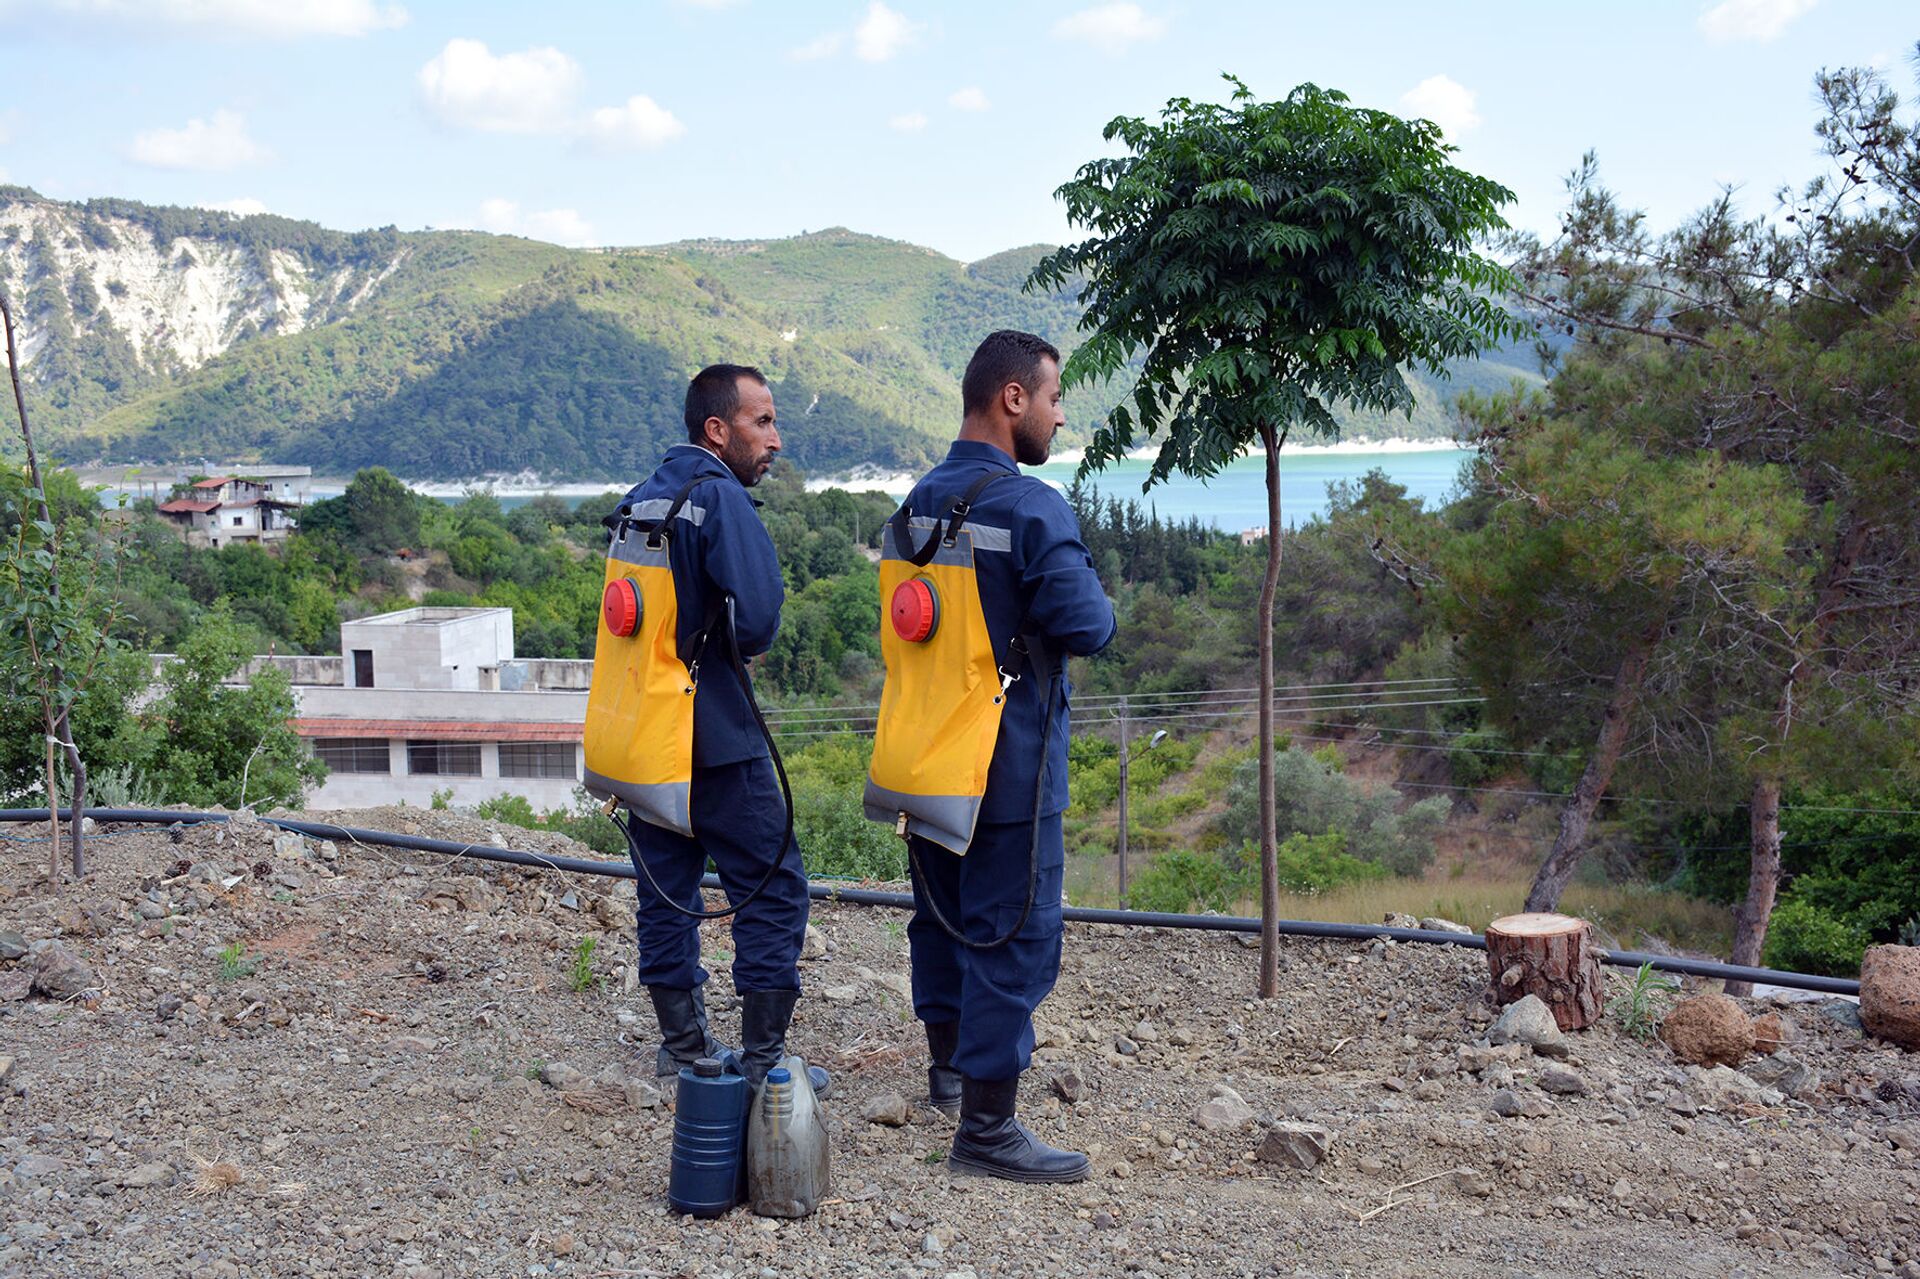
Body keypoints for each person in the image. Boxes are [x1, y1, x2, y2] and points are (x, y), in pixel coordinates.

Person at [897, 330, 1116, 1182]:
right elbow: (1088, 624)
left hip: (924, 755)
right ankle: (986, 1131)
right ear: (1013, 398)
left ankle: (949, 1074)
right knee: (1013, 935)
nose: (1060, 418)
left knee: (941, 919)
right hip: (1009, 764)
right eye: (1054, 398)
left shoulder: (916, 503)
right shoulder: (1032, 507)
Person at [617, 364, 820, 1091]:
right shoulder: (719, 497)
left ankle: (683, 1048)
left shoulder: (641, 498)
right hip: (719, 738)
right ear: (716, 429)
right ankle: (763, 1064)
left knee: (665, 889)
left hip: (647, 734)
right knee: (773, 887)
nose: (775, 439)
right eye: (762, 422)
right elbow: (758, 617)